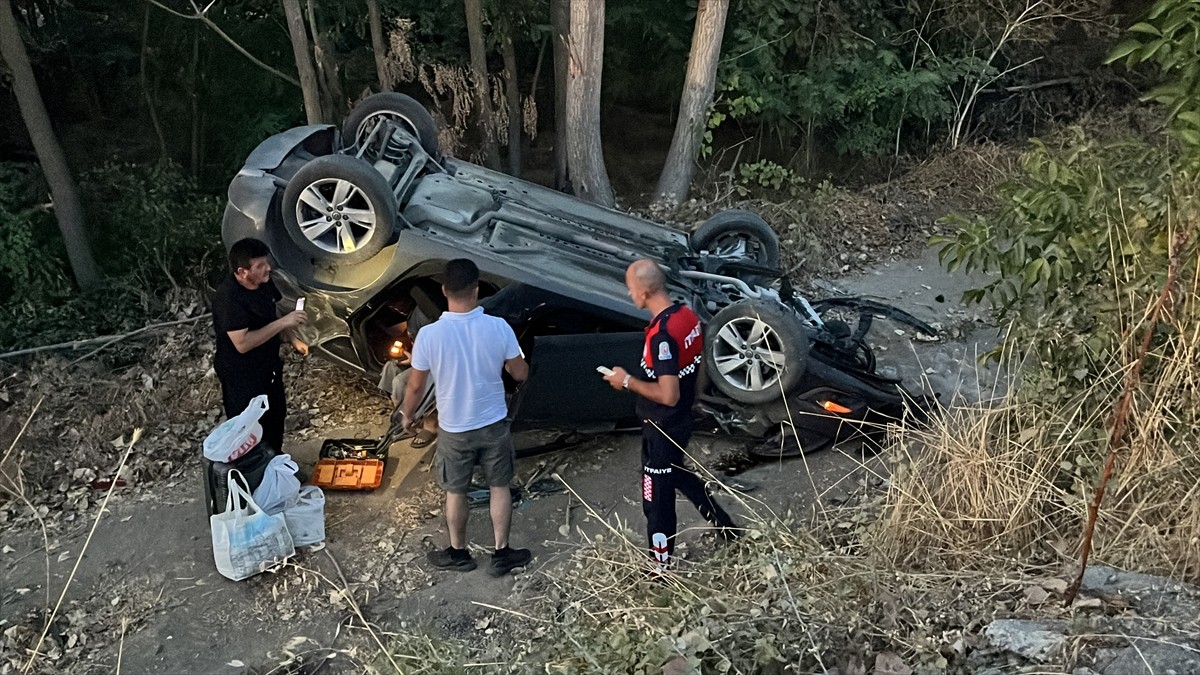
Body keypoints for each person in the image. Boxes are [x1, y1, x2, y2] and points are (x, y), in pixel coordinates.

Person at [601, 259, 738, 571]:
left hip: (661, 426)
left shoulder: (662, 336)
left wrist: (626, 382)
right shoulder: (686, 316)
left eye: (631, 287)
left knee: (656, 499)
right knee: (678, 472)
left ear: (646, 290)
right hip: (681, 420)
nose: (629, 293)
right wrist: (697, 397)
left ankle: (660, 568)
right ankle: (725, 524)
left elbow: (667, 394)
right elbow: (701, 360)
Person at [400, 259, 532, 576]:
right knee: (499, 485)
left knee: (455, 491)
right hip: (494, 423)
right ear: (476, 289)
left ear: (444, 290)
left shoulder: (429, 336)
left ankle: (459, 553)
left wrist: (408, 414)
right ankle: (502, 553)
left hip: (454, 429)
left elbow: (416, 385)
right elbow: (520, 371)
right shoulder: (498, 328)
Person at [212, 238, 308, 454]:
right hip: (241, 374)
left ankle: (275, 462)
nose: (268, 268)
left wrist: (293, 338)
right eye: (260, 266)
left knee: (276, 415)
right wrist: (284, 323)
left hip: (269, 366)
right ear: (242, 272)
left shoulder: (264, 283)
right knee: (248, 426)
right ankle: (253, 471)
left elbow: (274, 311)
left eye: (267, 262)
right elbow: (242, 343)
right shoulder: (229, 300)